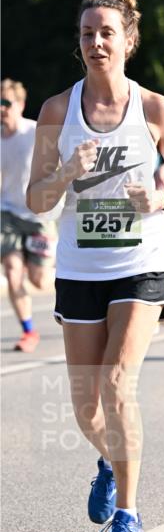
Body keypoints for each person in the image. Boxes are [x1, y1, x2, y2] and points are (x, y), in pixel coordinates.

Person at [27, 0, 164, 532]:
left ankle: (128, 514)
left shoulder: (155, 109)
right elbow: (35, 197)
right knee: (86, 405)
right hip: (79, 267)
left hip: (140, 264)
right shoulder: (56, 111)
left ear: (128, 40)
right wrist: (68, 169)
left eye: (105, 32)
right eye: (86, 34)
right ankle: (109, 458)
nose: (95, 42)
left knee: (119, 383)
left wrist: (161, 196)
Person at [1, 78, 58, 352]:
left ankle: (75, 281)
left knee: (40, 280)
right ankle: (28, 331)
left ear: (20, 105)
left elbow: (59, 162)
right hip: (8, 214)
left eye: (6, 103)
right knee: (12, 273)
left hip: (39, 216)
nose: (2, 109)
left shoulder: (35, 132)